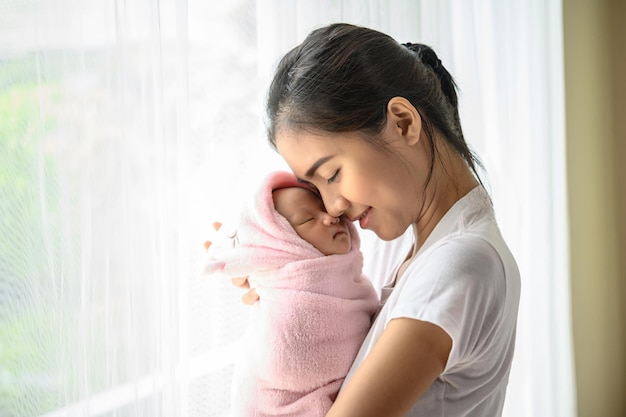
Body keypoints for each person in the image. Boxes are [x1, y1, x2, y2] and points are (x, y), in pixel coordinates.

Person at [210, 22, 521, 417]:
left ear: (403, 122)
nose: (333, 207)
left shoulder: (459, 265)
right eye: (315, 189)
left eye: (332, 174)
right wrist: (284, 288)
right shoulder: (417, 249)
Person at [205, 170, 379, 417]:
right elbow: (286, 361)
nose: (330, 217)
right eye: (308, 220)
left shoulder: (352, 279)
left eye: (324, 209)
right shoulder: (287, 308)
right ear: (284, 245)